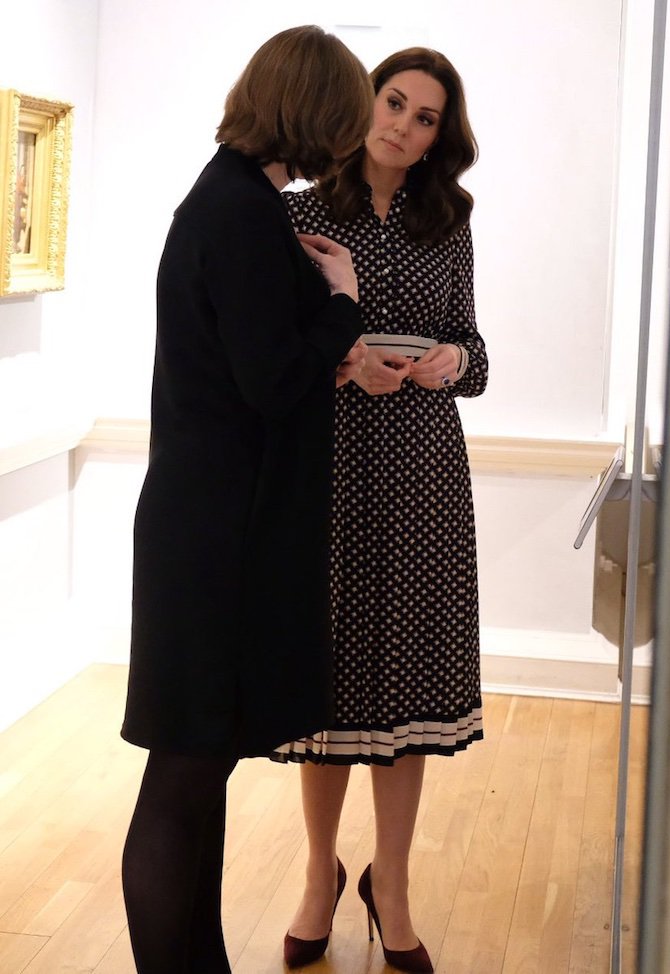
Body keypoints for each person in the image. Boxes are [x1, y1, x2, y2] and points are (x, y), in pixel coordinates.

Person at [119, 27, 372, 974]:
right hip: (215, 540)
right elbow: (274, 379)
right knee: (183, 775)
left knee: (198, 768)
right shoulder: (236, 211)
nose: (349, 140)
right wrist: (343, 302)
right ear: (314, 113)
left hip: (208, 528)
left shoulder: (234, 202)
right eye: (346, 118)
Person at [272, 47, 488, 973]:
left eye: (425, 115)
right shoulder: (301, 212)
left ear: (443, 135)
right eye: (393, 102)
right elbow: (274, 348)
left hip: (425, 471)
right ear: (365, 103)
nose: (402, 123)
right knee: (330, 683)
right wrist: (344, 362)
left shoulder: (450, 219)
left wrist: (452, 363)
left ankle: (389, 883)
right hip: (332, 461)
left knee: (407, 687)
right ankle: (320, 875)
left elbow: (477, 348)